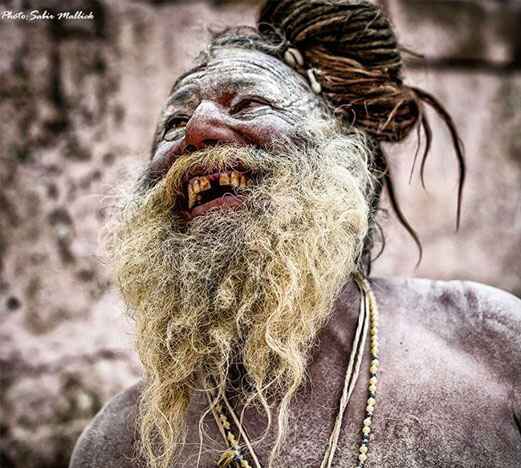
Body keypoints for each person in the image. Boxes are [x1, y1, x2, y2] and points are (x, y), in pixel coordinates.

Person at [69, 1, 521, 467]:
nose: (197, 131)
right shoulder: (118, 446)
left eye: (248, 104)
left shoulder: (494, 345)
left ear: (344, 151)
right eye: (173, 125)